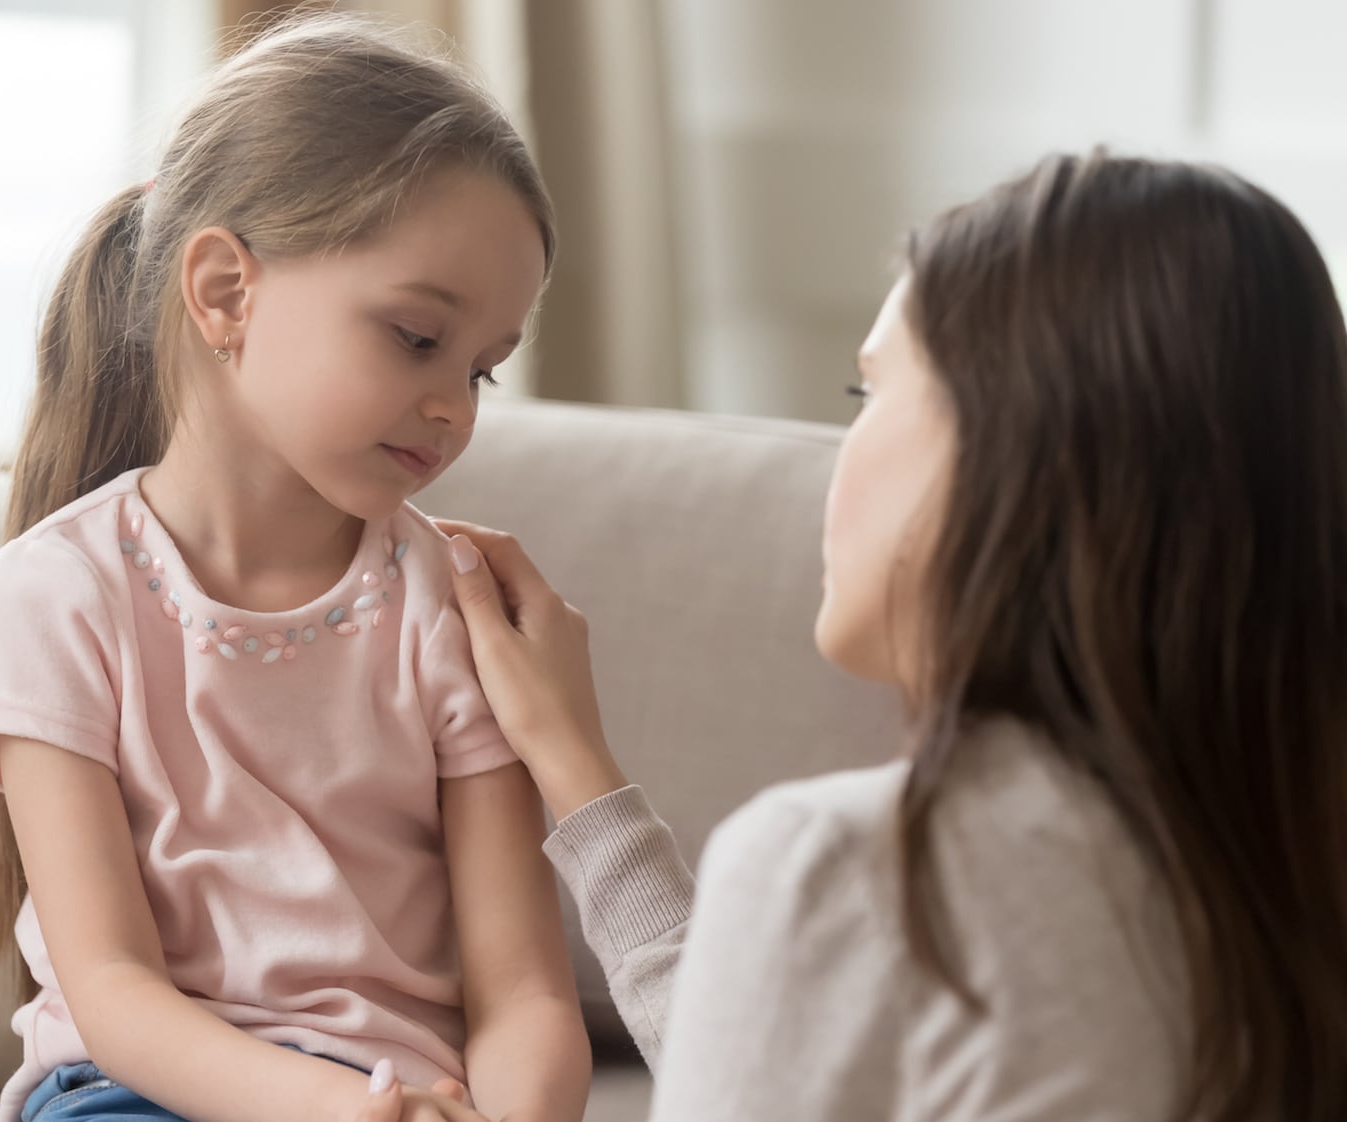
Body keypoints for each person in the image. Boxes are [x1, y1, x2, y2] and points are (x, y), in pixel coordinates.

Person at [424, 152, 1347, 1120]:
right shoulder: (1282, 875)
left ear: (1008, 450)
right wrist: (576, 763)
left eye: (870, 396)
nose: (842, 457)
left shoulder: (852, 870)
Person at [0, 15, 588, 1122]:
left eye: (483, 369)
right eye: (418, 338)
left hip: (404, 1094)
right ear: (227, 293)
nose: (452, 406)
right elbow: (112, 989)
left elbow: (524, 988)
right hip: (126, 1092)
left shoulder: (450, 606)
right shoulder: (56, 593)